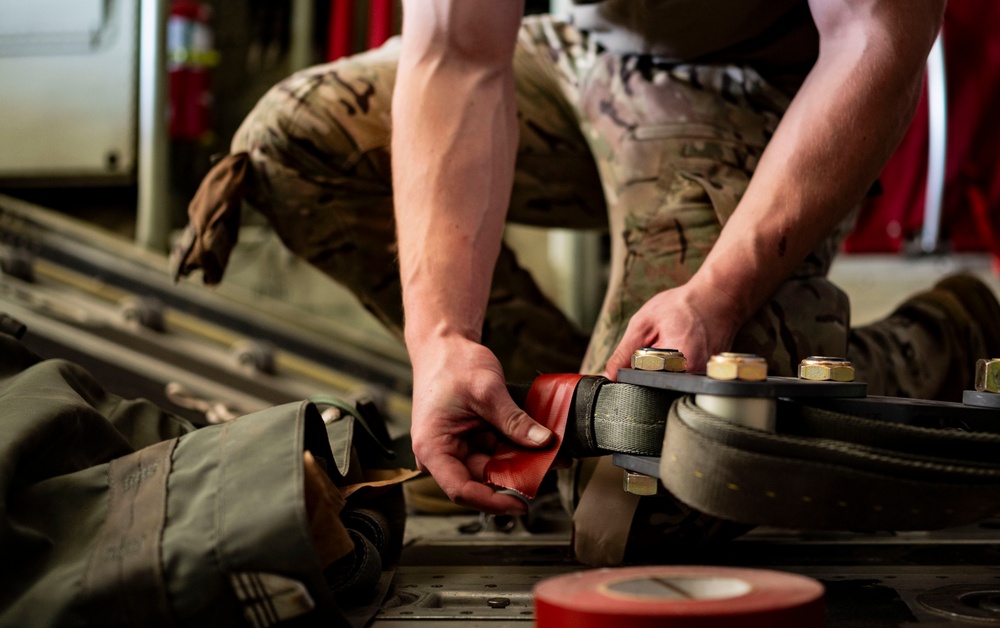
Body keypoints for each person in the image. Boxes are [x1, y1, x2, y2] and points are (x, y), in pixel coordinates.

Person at [175, 0, 998, 561]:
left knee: (663, 492)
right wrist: (442, 341)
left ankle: (942, 341)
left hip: (766, 81)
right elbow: (459, 53)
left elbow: (875, 37)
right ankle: (550, 419)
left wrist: (717, 294)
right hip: (583, 52)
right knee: (292, 145)